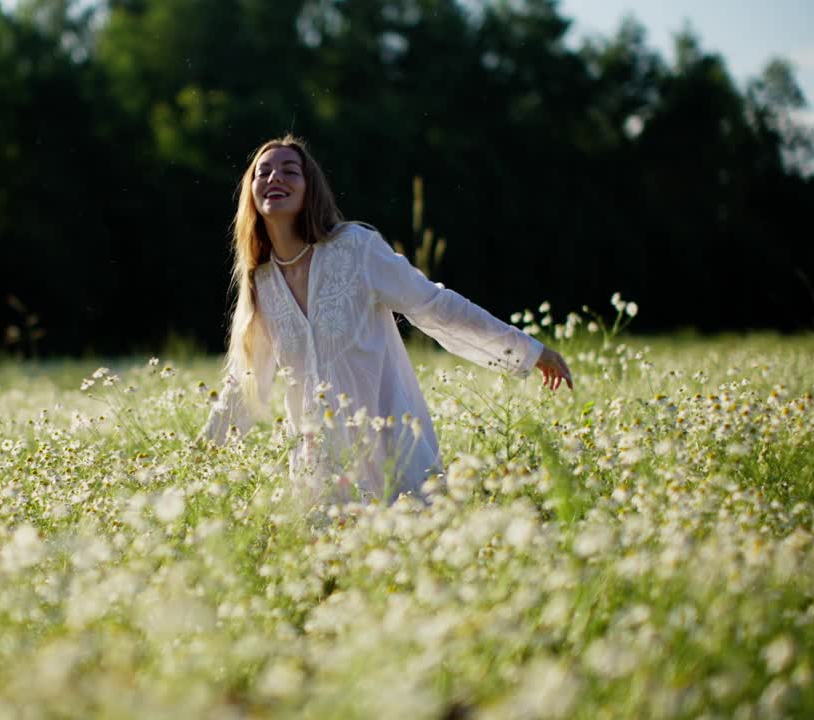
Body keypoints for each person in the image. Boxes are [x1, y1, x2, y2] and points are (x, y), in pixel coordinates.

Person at [202, 135, 573, 504]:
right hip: (320, 473)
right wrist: (198, 463)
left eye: (289, 170)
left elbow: (435, 305)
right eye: (262, 172)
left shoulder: (356, 248)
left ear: (309, 188)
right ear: (250, 192)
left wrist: (527, 350)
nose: (274, 178)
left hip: (393, 451)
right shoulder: (261, 284)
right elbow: (245, 387)